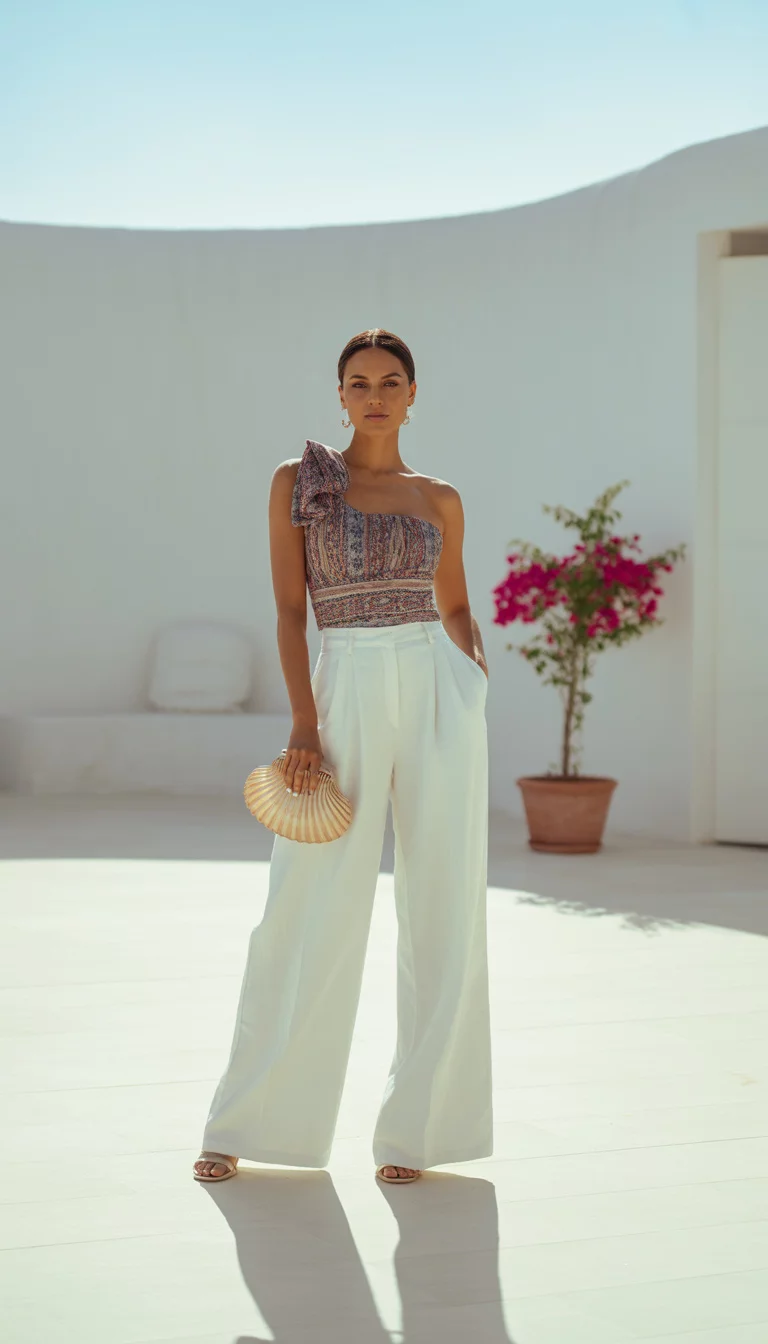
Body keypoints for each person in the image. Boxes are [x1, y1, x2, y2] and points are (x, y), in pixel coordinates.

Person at [193, 328, 493, 1186]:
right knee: (307, 902)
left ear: (411, 395)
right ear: (339, 394)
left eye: (391, 381)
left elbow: (460, 601)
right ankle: (246, 1120)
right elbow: (291, 612)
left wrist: (474, 680)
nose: (375, 395)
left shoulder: (440, 496)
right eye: (358, 382)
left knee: (444, 907)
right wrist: (302, 719)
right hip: (345, 683)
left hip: (438, 689)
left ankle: (418, 1135)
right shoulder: (301, 483)